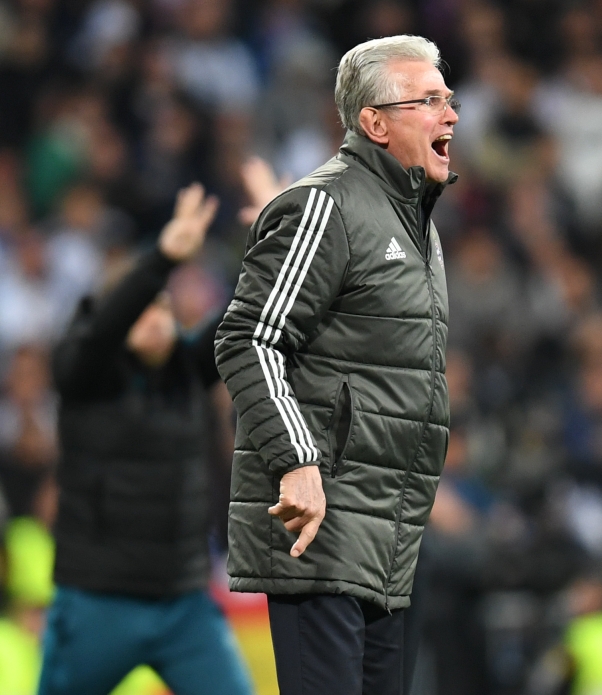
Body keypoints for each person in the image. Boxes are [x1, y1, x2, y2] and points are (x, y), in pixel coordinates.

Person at [215, 34, 459, 695]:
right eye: (429, 99)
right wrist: (297, 459)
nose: (451, 114)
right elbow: (247, 337)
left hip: (390, 531)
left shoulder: (415, 224)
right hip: (322, 526)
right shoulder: (328, 203)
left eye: (449, 97)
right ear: (375, 122)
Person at [37, 184, 252, 695]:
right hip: (97, 602)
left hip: (184, 604)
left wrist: (280, 233)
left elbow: (245, 311)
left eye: (162, 307)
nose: (155, 316)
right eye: (140, 307)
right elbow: (102, 331)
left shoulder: (187, 371)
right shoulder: (84, 375)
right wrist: (162, 258)